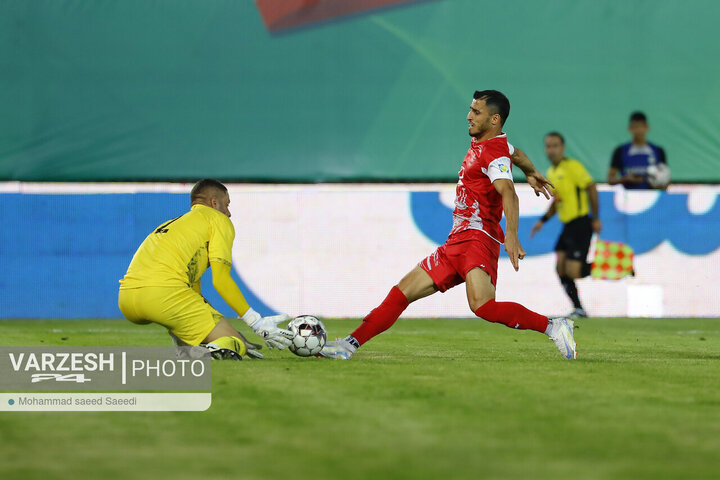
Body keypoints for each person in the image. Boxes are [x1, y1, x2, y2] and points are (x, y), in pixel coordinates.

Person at [321, 90, 577, 361]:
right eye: (470, 109)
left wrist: (512, 236)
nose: (468, 116)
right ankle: (347, 345)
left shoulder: (493, 154)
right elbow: (517, 153)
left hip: (478, 239)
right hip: (457, 241)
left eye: (476, 112)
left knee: (482, 306)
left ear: (494, 120)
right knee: (401, 292)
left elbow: (509, 193)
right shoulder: (493, 144)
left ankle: (554, 326)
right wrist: (530, 171)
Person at [118, 178, 293, 360]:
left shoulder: (176, 224)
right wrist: (257, 322)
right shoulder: (218, 219)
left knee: (228, 338)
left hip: (127, 298)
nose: (229, 213)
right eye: (226, 205)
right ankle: (205, 351)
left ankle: (188, 350)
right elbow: (221, 280)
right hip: (163, 296)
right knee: (234, 343)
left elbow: (192, 293)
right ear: (214, 203)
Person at [530, 132, 601, 318]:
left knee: (573, 271)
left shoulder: (573, 167)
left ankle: (612, 265)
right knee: (560, 269)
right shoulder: (551, 172)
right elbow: (557, 201)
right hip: (567, 226)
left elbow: (591, 187)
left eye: (555, 146)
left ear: (562, 148)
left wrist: (596, 218)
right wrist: (542, 221)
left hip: (581, 223)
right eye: (548, 146)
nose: (551, 150)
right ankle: (578, 308)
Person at [607, 111, 668, 189]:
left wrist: (651, 180)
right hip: (629, 197)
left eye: (641, 126)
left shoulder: (658, 151)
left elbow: (665, 182)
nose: (639, 130)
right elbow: (610, 179)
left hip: (652, 197)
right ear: (630, 129)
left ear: (647, 127)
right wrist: (624, 179)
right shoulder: (621, 150)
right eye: (635, 127)